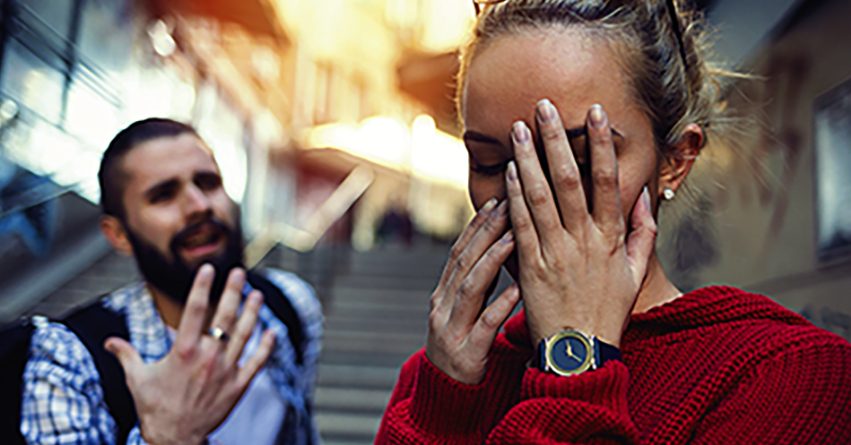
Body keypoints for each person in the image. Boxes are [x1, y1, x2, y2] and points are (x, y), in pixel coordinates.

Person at [376, 1, 851, 443]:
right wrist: (444, 404)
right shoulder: (439, 376)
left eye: (578, 159)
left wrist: (574, 367)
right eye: (488, 162)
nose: (530, 195)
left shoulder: (792, 374)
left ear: (676, 161)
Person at [20, 119, 322, 445]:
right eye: (163, 195)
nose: (199, 206)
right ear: (119, 235)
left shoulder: (290, 303)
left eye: (208, 183)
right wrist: (169, 435)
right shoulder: (68, 362)